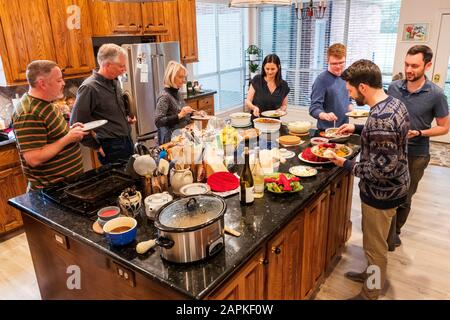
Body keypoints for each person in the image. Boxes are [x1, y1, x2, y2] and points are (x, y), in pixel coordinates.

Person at [329, 59, 410, 300]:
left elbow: (379, 170)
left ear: (363, 87)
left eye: (351, 90)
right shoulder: (394, 104)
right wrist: (355, 129)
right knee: (376, 243)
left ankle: (370, 293)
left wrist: (345, 164)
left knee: (375, 248)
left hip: (381, 194)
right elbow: (389, 139)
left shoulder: (379, 120)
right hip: (398, 188)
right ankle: (370, 274)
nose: (351, 95)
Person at [387, 45, 449, 249]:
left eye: (414, 65)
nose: (408, 69)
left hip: (416, 154)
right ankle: (385, 231)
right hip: (391, 150)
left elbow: (444, 128)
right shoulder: (394, 87)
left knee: (405, 196)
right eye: (406, 64)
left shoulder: (437, 94)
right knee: (388, 192)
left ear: (427, 65)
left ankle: (395, 232)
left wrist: (420, 133)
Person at [12, 60, 88, 190]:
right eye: (59, 80)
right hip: (51, 191)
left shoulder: (47, 103)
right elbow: (33, 158)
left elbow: (51, 136)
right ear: (42, 84)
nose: (63, 83)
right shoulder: (28, 113)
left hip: (67, 185)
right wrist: (68, 138)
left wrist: (71, 131)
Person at [70, 43, 135, 165]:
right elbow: (76, 123)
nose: (124, 69)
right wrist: (95, 146)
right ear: (107, 65)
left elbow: (112, 110)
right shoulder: (89, 87)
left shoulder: (114, 82)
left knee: (130, 179)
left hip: (126, 139)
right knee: (118, 182)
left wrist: (126, 119)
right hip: (111, 146)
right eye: (121, 66)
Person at [309, 43, 353, 130]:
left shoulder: (346, 77)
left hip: (344, 129)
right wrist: (324, 115)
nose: (338, 66)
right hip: (326, 131)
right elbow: (313, 108)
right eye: (334, 63)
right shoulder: (321, 80)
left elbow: (347, 100)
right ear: (328, 61)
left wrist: (351, 107)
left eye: (341, 63)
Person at [155, 61, 197, 145]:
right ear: (171, 77)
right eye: (181, 77)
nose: (183, 80)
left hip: (180, 138)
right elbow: (158, 121)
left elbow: (182, 114)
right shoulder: (165, 96)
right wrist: (179, 115)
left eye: (184, 77)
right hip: (170, 141)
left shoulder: (177, 93)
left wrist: (194, 114)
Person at [245, 54, 290, 119]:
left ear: (278, 67)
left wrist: (281, 109)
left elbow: (284, 105)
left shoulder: (283, 85)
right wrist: (254, 108)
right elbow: (248, 101)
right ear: (263, 67)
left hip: (274, 122)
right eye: (267, 68)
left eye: (273, 69)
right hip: (257, 120)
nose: (269, 72)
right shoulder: (257, 80)